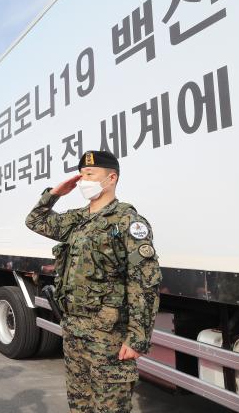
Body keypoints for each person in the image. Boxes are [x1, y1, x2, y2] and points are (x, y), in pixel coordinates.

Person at [25, 150, 161, 413]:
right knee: (80, 405)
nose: (83, 180)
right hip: (74, 330)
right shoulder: (77, 220)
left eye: (91, 174)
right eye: (82, 174)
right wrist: (54, 194)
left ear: (111, 178)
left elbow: (144, 283)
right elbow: (35, 220)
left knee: (109, 408)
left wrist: (137, 339)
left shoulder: (127, 221)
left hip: (108, 336)